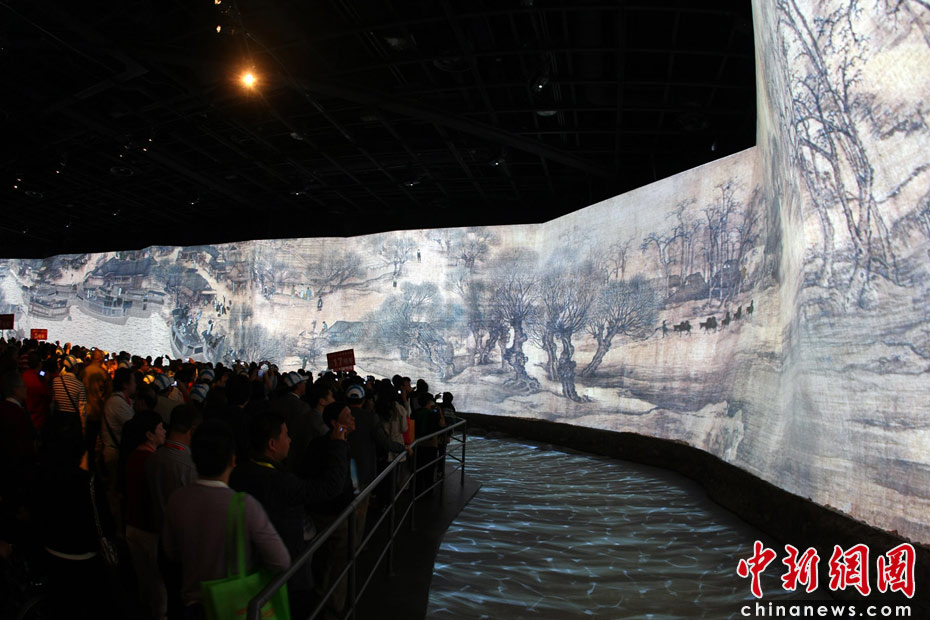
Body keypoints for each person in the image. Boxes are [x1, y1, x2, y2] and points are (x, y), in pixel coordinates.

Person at [162, 420, 290, 617]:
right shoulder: (244, 505)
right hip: (234, 606)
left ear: (194, 457)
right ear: (232, 460)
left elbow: (171, 552)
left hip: (192, 607)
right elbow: (281, 561)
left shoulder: (176, 499)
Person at [230, 410, 349, 617]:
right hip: (288, 574)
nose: (290, 440)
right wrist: (338, 444)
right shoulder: (280, 483)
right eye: (285, 435)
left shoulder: (239, 473)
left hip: (250, 568)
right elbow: (329, 488)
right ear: (272, 444)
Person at [122, 410, 167, 620]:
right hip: (150, 529)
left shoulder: (132, 456)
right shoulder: (153, 461)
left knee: (144, 580)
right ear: (149, 435)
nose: (164, 431)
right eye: (160, 428)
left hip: (132, 525)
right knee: (158, 582)